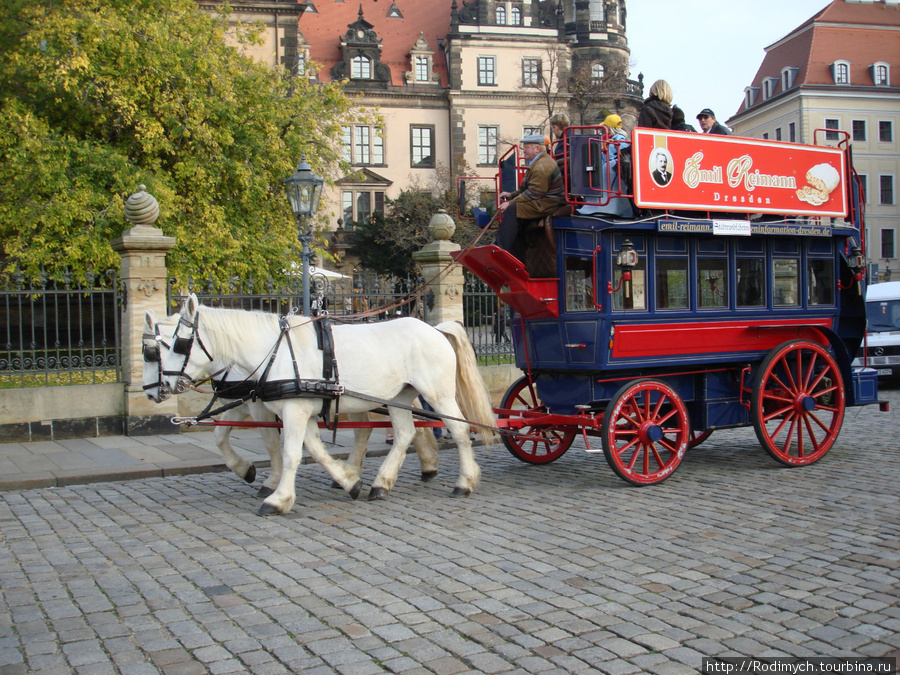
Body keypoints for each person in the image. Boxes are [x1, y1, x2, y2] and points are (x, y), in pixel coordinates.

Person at [496, 133, 566, 261]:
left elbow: (534, 193)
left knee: (513, 211)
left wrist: (510, 203)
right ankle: (516, 257)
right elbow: (527, 190)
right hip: (543, 200)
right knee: (516, 218)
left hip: (548, 203)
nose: (524, 151)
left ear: (537, 148)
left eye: (526, 148)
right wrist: (511, 195)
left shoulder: (542, 166)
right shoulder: (539, 162)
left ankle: (500, 250)